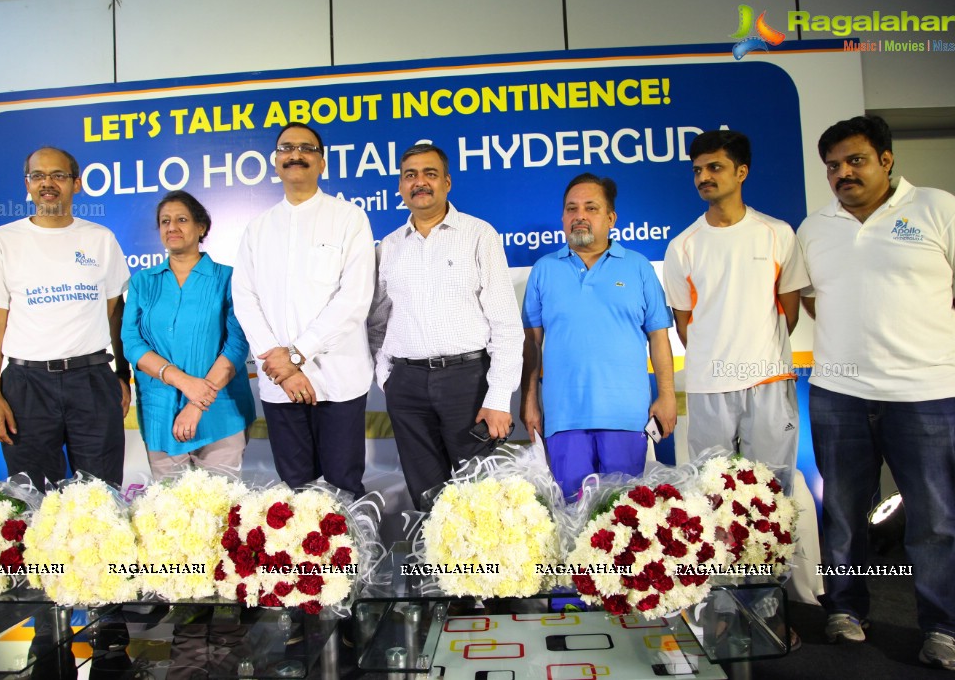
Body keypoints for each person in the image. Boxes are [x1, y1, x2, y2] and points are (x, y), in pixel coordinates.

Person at [798, 115, 955, 669]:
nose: (843, 173)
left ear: (886, 160)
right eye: (833, 166)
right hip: (838, 393)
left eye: (855, 161)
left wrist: (933, 330)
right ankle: (846, 610)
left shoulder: (939, 209)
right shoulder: (815, 227)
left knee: (936, 519)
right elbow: (811, 298)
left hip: (924, 390)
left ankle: (945, 627)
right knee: (844, 513)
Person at [367, 143, 523, 509]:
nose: (419, 182)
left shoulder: (478, 234)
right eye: (410, 175)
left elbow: (505, 323)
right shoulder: (388, 247)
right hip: (406, 387)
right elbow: (376, 322)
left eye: (429, 174)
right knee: (426, 498)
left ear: (447, 182)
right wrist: (386, 375)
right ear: (401, 187)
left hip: (467, 382)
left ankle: (484, 568)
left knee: (480, 499)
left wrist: (499, 398)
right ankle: (437, 568)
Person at [0, 146, 131, 490]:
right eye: (38, 175)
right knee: (34, 498)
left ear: (76, 184)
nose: (48, 183)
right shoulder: (3, 241)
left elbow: (114, 314)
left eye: (58, 175)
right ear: (27, 184)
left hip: (91, 380)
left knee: (101, 496)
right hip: (26, 386)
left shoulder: (101, 239)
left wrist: (121, 373)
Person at [232, 122, 375, 499]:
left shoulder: (350, 218)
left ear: (322, 162)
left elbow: (354, 299)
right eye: (286, 148)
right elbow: (245, 298)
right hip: (280, 383)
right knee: (296, 491)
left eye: (306, 148)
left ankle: (354, 559)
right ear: (276, 162)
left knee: (344, 489)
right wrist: (281, 365)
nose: (296, 154)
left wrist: (296, 354)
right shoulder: (258, 229)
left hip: (338, 380)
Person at [663, 130, 808, 493]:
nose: (704, 177)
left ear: (741, 172)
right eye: (697, 170)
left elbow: (789, 312)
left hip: (769, 382)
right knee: (711, 495)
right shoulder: (683, 246)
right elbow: (684, 324)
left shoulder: (777, 233)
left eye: (715, 167)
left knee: (773, 493)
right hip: (708, 386)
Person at [521, 173, 676, 500]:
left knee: (625, 521)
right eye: (571, 208)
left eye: (591, 208)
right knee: (572, 518)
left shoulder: (638, 268)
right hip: (564, 419)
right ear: (563, 217)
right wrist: (529, 400)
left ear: (611, 218)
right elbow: (531, 344)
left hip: (626, 417)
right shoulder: (544, 270)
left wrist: (667, 395)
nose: (580, 216)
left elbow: (659, 339)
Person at [122, 191, 255, 479]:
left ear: (201, 227)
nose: (172, 227)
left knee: (221, 511)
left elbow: (237, 345)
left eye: (182, 220)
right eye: (165, 221)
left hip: (219, 411)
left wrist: (197, 402)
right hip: (160, 413)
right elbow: (131, 344)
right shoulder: (142, 282)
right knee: (173, 514)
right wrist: (183, 381)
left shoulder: (229, 278)